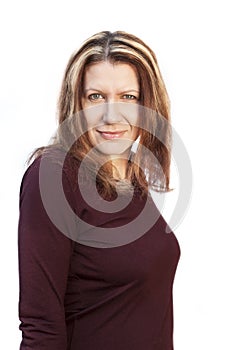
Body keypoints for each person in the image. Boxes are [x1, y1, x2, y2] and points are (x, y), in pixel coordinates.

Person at [18, 30, 180, 349]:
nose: (110, 115)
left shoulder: (130, 175)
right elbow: (41, 325)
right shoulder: (53, 176)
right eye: (95, 97)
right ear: (75, 102)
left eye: (128, 97)